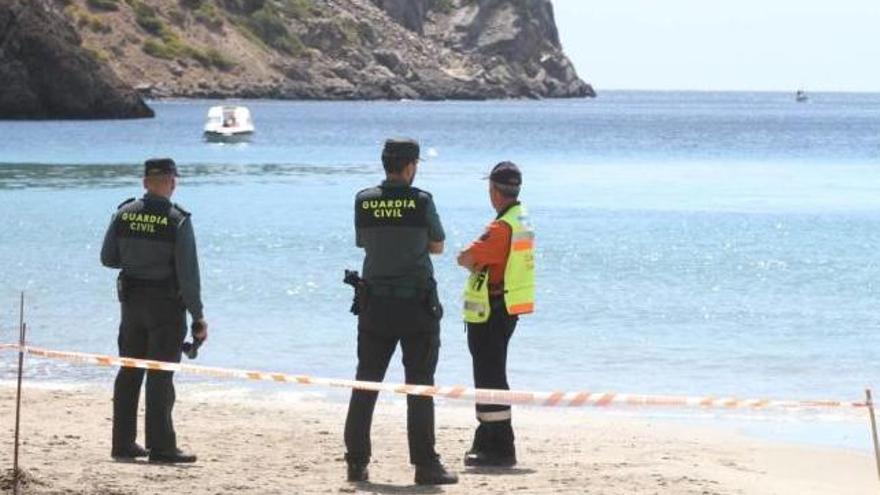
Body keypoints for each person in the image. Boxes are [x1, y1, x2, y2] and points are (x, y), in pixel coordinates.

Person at [344, 139, 458, 485]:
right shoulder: (421, 201)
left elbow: (364, 241)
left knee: (366, 382)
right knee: (420, 386)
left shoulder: (364, 200)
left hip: (375, 304)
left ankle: (356, 461)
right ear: (410, 166)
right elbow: (437, 246)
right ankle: (425, 464)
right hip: (416, 306)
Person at [100, 158, 208, 464]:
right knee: (160, 376)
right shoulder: (178, 219)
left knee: (129, 371)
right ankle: (161, 447)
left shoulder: (124, 213)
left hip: (131, 304)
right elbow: (188, 275)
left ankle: (122, 444)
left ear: (145, 182)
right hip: (166, 307)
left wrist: (138, 259)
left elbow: (108, 258)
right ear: (173, 181)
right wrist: (198, 317)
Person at [456, 161, 535, 467]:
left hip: (492, 309)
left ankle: (499, 445)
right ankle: (490, 438)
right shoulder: (520, 218)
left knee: (489, 376)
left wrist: (470, 261)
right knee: (493, 373)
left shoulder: (501, 227)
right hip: (507, 307)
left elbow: (467, 257)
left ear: (493, 191)